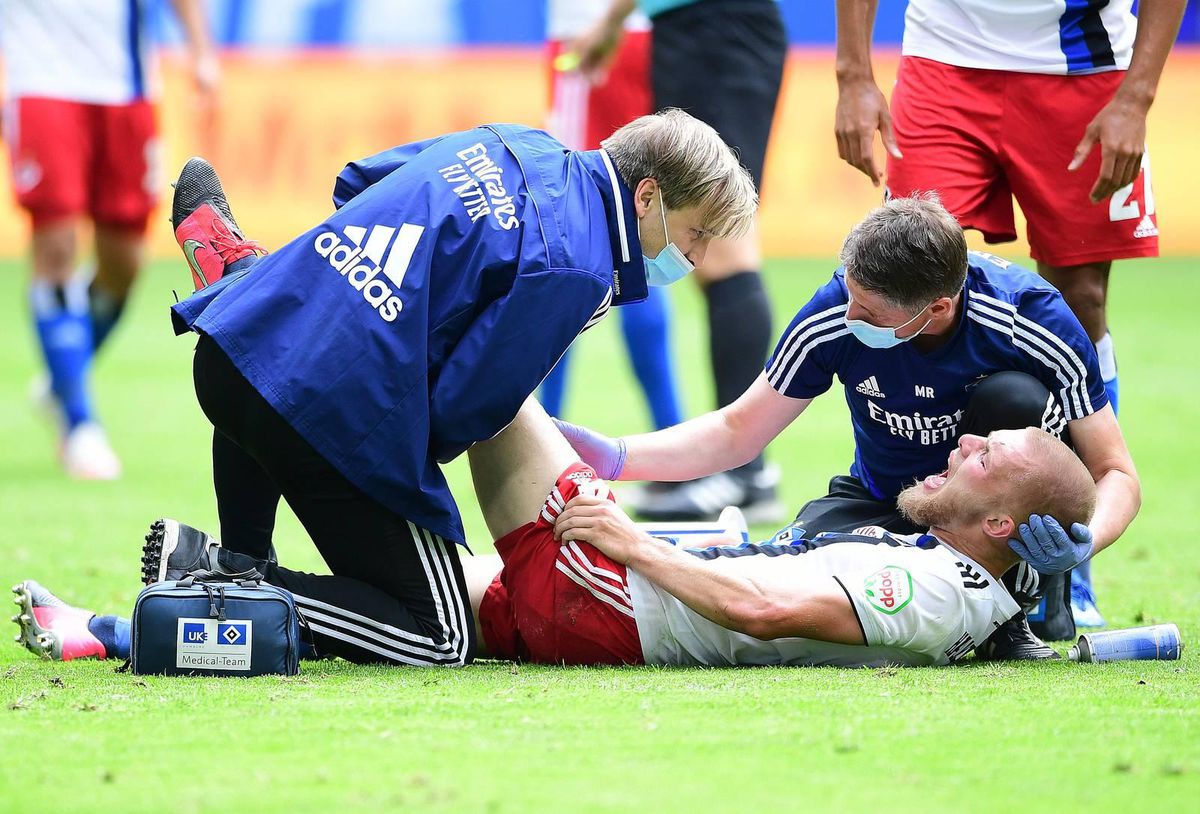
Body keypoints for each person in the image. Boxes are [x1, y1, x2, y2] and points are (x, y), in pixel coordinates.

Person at [149, 109, 757, 667]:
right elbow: (463, 411)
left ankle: (243, 275)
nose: (698, 256)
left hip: (235, 345)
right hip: (318, 412)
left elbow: (357, 182)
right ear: (646, 197)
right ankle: (213, 578)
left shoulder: (515, 140)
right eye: (697, 232)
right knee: (440, 630)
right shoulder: (580, 266)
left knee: (282, 348)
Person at [13, 400, 1096, 669]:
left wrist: (630, 545)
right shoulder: (970, 581)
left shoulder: (946, 590)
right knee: (393, 619)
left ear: (999, 521)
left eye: (983, 458)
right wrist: (1053, 608)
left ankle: (278, 315)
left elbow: (768, 608)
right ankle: (118, 626)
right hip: (604, 609)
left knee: (498, 375)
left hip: (612, 598)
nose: (958, 447)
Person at [553, 195, 1141, 660]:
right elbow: (740, 431)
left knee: (1012, 397)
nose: (849, 316)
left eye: (871, 313)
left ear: (936, 308)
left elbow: (1114, 469)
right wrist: (619, 457)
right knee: (768, 569)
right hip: (882, 499)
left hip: (981, 527)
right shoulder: (837, 306)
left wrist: (1085, 541)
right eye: (850, 294)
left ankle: (1017, 609)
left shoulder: (1030, 321)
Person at [832, 0, 1186, 625]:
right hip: (944, 56)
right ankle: (921, 530)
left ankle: (1067, 567)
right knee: (912, 276)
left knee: (1082, 301)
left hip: (1080, 65)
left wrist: (1138, 96)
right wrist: (854, 74)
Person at [573, 0, 788, 522]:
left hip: (715, 28)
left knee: (722, 250)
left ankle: (743, 470)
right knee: (709, 253)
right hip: (699, 29)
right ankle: (739, 468)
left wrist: (609, 21)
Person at [0, 0, 219, 479]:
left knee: (125, 262)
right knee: (55, 247)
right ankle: (80, 425)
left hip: (127, 89)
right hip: (42, 84)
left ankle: (64, 375)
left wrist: (201, 50)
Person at [539, 0, 686, 436]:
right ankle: (671, 438)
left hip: (590, 36)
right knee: (637, 226)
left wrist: (605, 22)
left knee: (563, 223)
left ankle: (543, 436)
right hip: (644, 35)